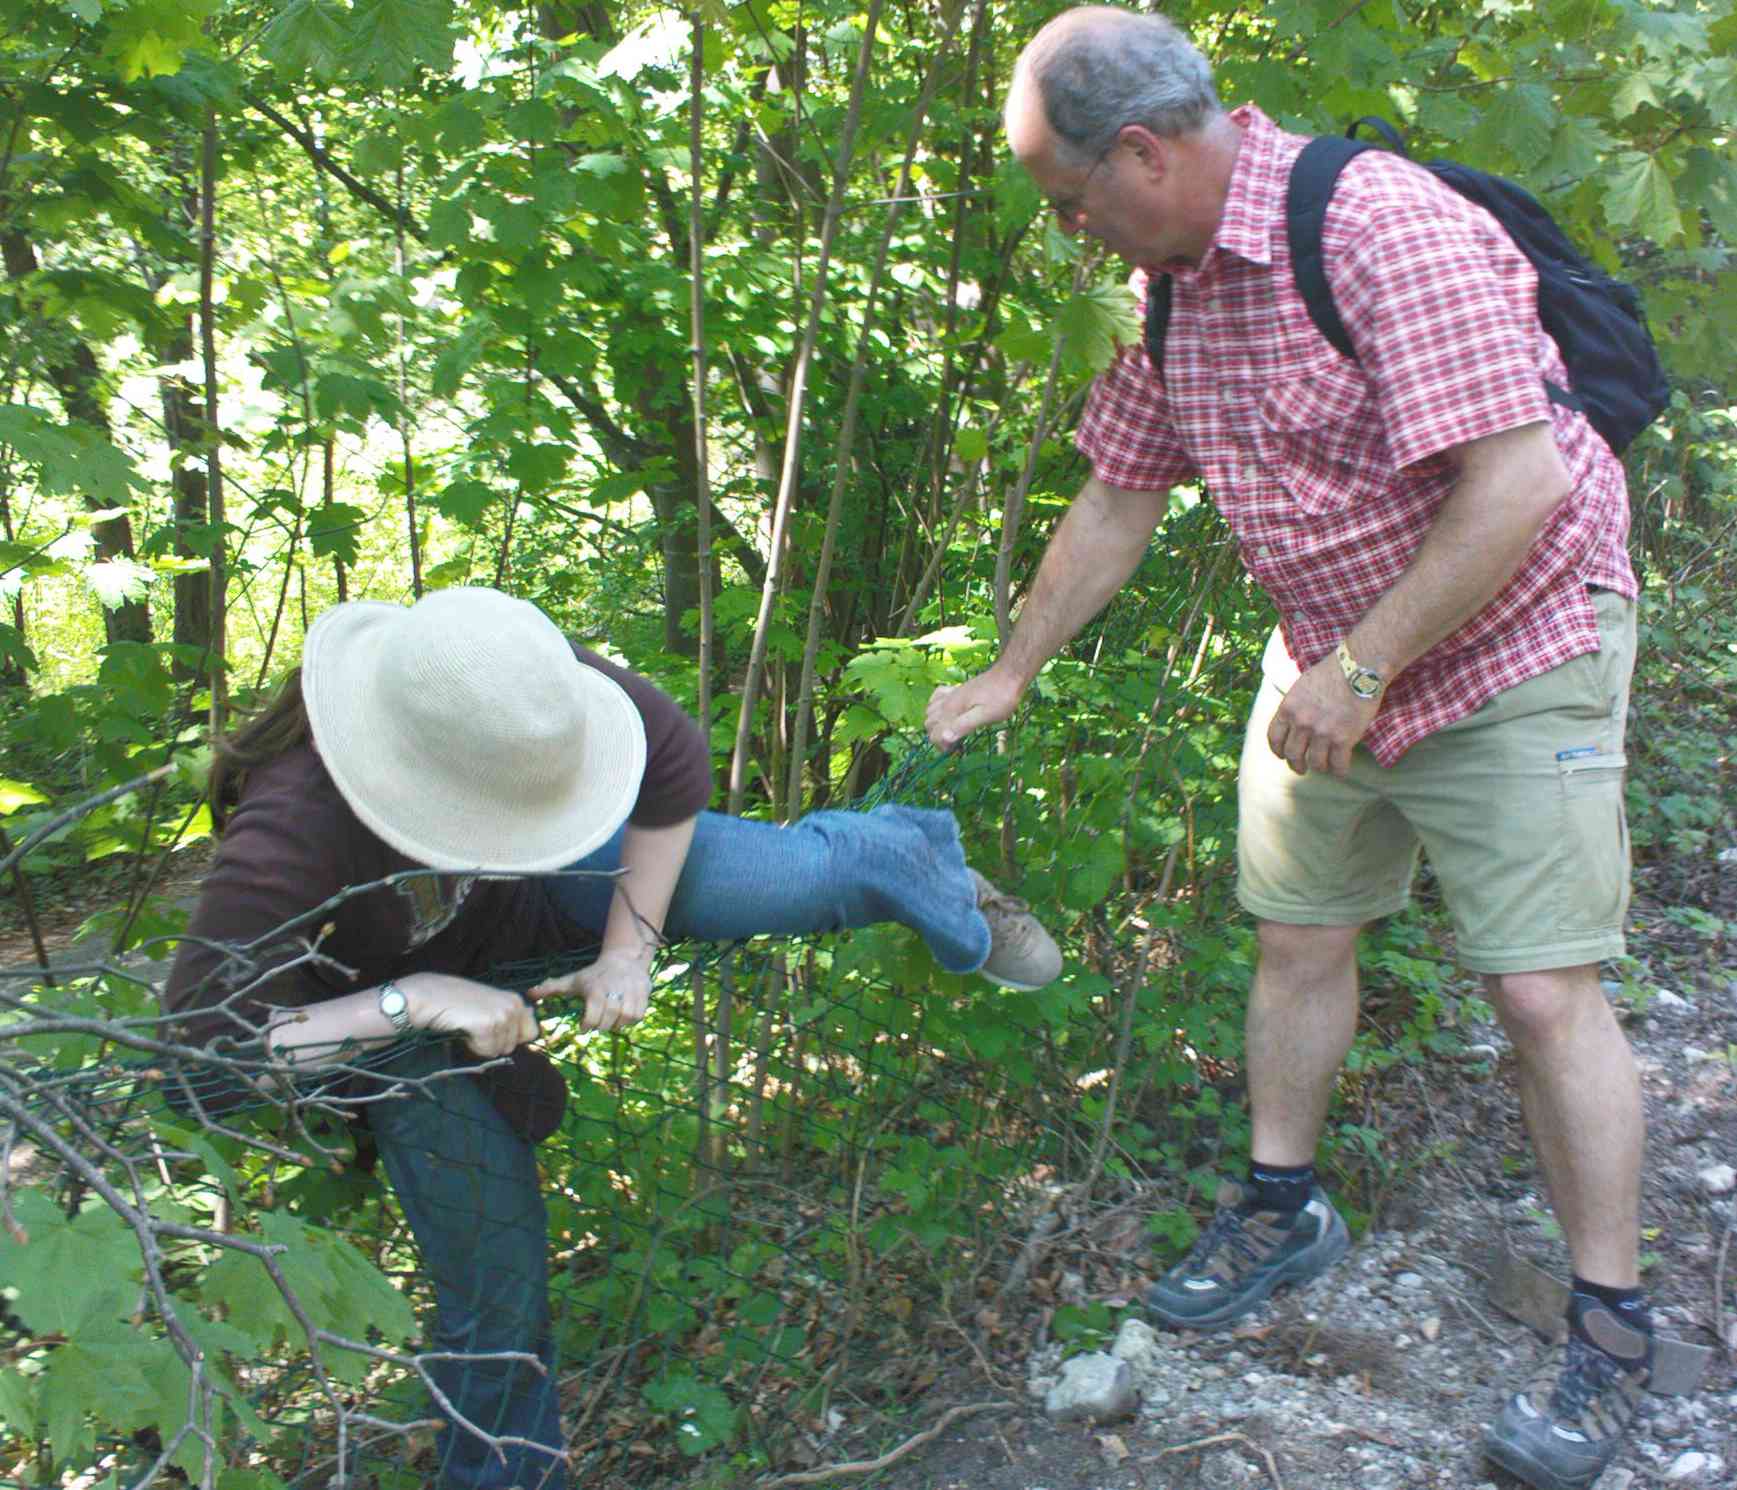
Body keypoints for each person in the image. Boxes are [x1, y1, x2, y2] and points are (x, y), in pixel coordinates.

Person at [924, 11, 1648, 1489]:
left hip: (1513, 634)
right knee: (1297, 934)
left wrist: (1365, 666)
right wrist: (1010, 666)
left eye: (1071, 200)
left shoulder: (1381, 227)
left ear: (1140, 151)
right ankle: (1281, 1207)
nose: (1070, 233)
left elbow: (1513, 485)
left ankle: (1614, 1331)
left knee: (1537, 987)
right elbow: (1119, 496)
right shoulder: (1168, 289)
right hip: (1335, 653)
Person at [164, 585, 1061, 1490]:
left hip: (543, 888)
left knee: (791, 878)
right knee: (497, 1300)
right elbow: (202, 1064)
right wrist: (412, 1002)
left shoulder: (518, 682)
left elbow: (669, 766)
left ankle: (908, 860)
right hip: (390, 1034)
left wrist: (629, 948)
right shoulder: (294, 825)